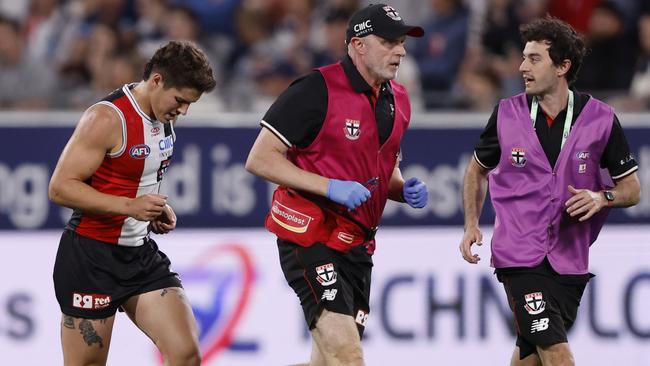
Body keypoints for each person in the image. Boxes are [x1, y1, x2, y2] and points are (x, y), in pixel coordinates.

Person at [246, 4, 428, 365]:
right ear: (358, 45)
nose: (401, 50)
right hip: (311, 234)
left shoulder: (399, 100)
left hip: (357, 245)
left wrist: (400, 188)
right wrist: (329, 186)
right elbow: (260, 158)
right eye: (389, 41)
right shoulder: (315, 89)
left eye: (402, 42)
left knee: (328, 360)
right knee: (348, 355)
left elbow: (385, 167)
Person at [459, 17, 641, 366]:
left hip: (570, 260)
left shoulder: (601, 119)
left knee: (532, 359)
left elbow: (632, 189)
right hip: (520, 257)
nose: (521, 66)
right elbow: (475, 171)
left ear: (562, 66)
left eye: (534, 58)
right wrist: (470, 223)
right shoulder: (506, 114)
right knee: (558, 356)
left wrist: (601, 197)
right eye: (524, 57)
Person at [48, 40, 216, 366]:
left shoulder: (165, 113)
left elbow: (136, 178)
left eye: (189, 104)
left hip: (139, 253)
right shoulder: (106, 118)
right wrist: (130, 207)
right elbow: (60, 188)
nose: (183, 111)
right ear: (156, 80)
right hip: (90, 258)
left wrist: (153, 211)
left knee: (186, 355)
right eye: (180, 100)